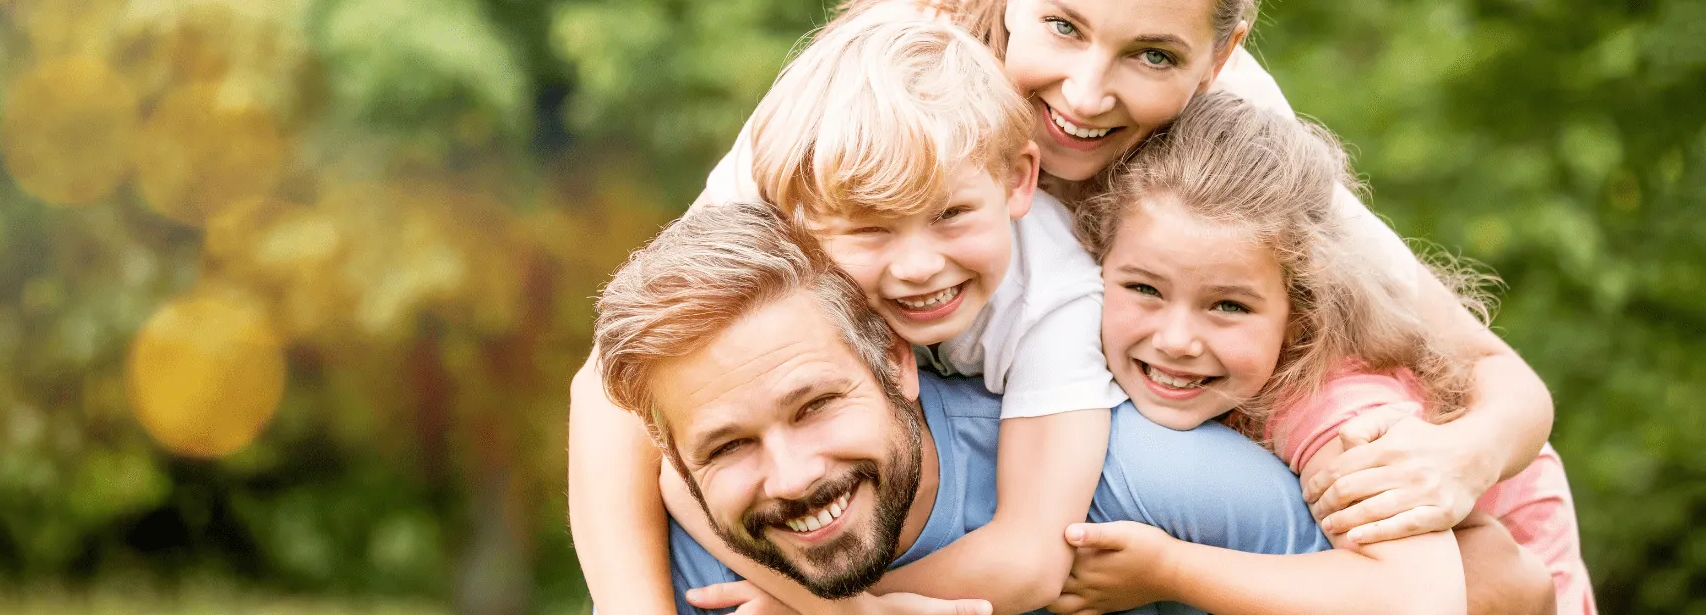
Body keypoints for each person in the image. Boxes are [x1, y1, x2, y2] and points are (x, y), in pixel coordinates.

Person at [574, 0, 1558, 610]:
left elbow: (1494, 387)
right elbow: (626, 385)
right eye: (1064, 26)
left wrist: (1460, 459)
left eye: (1153, 56)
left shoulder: (1235, 160)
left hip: (1390, 450)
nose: (1087, 91)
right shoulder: (861, 109)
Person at [580, 15, 1121, 614]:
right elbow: (666, 457)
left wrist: (838, 609)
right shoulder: (787, 217)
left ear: (1019, 181)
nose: (918, 266)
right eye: (871, 230)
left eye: (951, 215)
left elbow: (1029, 562)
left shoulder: (1056, 300)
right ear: (801, 221)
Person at [594, 198, 1341, 615]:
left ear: (894, 358)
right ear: (676, 460)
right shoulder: (677, 577)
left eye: (815, 404)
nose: (790, 476)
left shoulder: (1139, 480)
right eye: (727, 446)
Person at [1043, 92, 1586, 615]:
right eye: (1144, 289)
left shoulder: (1338, 409)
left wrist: (1169, 570)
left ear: (1299, 312)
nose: (1176, 340)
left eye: (1228, 306)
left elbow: (1411, 600)